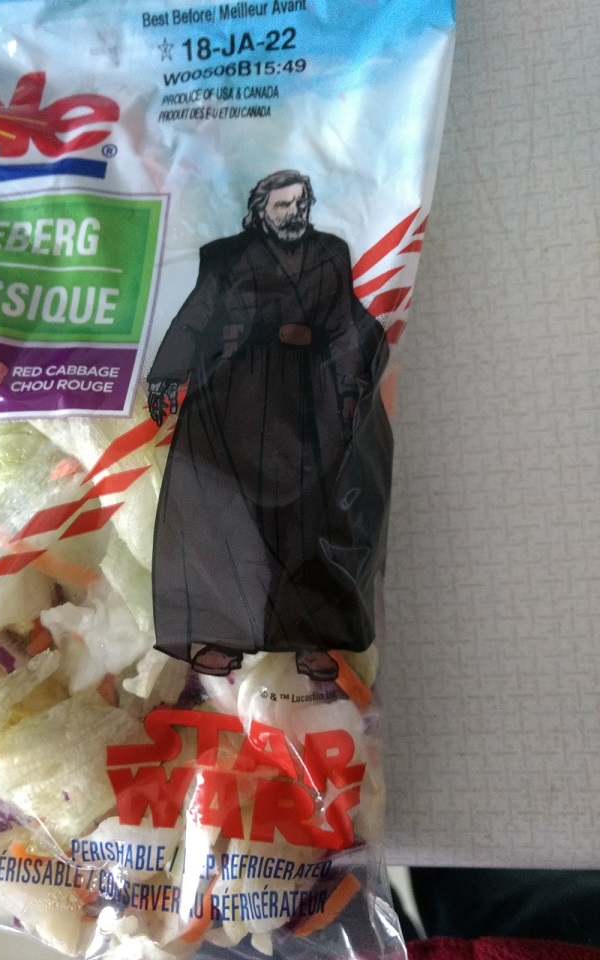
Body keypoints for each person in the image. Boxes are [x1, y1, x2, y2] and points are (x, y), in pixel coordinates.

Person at [147, 169, 392, 679]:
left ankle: (311, 639)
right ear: (260, 211)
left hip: (307, 394)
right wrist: (166, 375)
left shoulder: (330, 253)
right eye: (283, 205)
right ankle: (223, 635)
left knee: (311, 517)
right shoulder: (225, 255)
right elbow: (196, 316)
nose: (294, 212)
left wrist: (355, 384)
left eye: (301, 203)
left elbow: (345, 321)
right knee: (223, 515)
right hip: (234, 392)